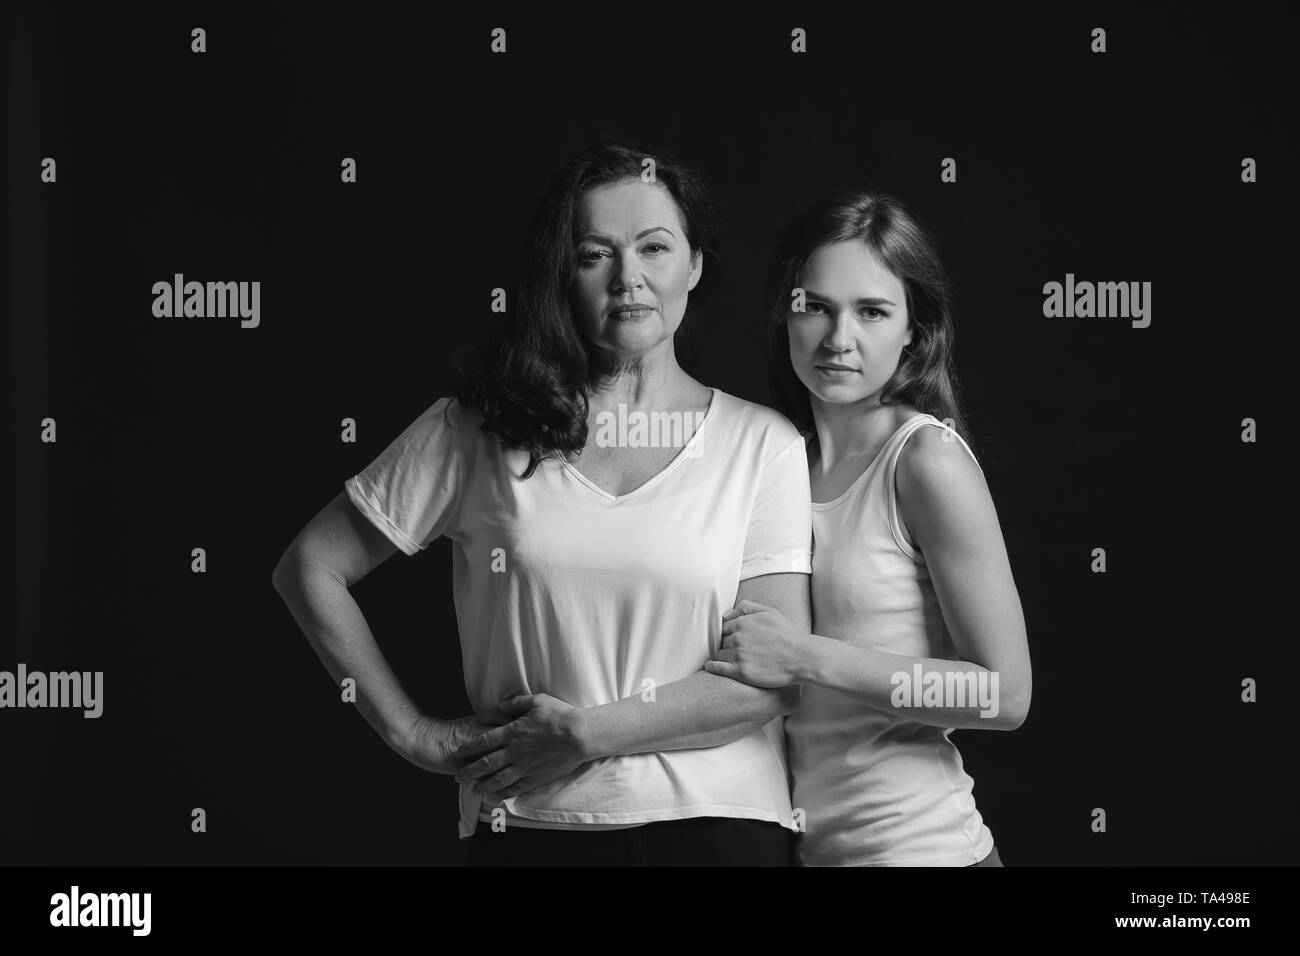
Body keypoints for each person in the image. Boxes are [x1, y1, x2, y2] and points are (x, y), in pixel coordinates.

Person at [271, 141, 813, 866]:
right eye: (596, 254)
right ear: (564, 272)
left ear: (696, 265)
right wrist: (413, 734)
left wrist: (586, 734)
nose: (630, 278)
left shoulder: (762, 445)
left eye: (655, 248)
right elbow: (309, 568)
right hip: (528, 829)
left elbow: (768, 680)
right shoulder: (477, 428)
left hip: (722, 831)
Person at [705, 190, 1031, 866]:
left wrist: (804, 656)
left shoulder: (924, 459)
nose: (838, 339)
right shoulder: (777, 462)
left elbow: (1005, 693)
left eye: (872, 312)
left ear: (914, 328)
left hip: (926, 852)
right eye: (816, 306)